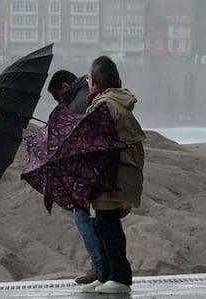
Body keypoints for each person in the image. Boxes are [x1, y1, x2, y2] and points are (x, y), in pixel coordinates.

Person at [83, 56, 145, 295]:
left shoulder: (105, 104)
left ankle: (119, 277)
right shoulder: (111, 101)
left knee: (108, 225)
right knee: (101, 223)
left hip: (112, 175)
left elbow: (96, 142)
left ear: (95, 81)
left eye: (89, 79)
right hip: (114, 173)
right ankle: (108, 274)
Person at [46, 69, 103, 285]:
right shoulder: (85, 93)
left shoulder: (78, 102)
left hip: (88, 171)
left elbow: (77, 138)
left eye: (58, 95)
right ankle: (102, 267)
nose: (59, 101)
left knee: (83, 218)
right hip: (97, 168)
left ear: (65, 87)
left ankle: (99, 267)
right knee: (100, 221)